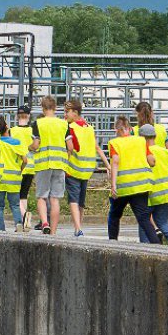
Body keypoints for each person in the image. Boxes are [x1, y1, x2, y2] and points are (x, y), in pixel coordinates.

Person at [107, 117, 160, 243]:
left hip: (123, 187)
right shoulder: (141, 141)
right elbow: (151, 161)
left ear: (117, 130)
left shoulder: (115, 143)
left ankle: (112, 242)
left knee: (114, 215)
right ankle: (157, 244)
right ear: (130, 129)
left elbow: (115, 162)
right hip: (141, 186)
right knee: (143, 218)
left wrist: (113, 185)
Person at [64, 99, 110, 238]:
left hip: (72, 169)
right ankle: (79, 227)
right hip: (86, 171)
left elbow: (70, 148)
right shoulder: (89, 127)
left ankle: (78, 229)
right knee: (81, 201)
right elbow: (96, 147)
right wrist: (107, 164)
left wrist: (64, 163)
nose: (65, 114)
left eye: (67, 111)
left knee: (73, 199)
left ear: (75, 112)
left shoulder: (70, 127)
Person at [29, 95, 69, 235]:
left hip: (43, 164)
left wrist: (30, 148)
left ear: (42, 108)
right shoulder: (64, 124)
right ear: (55, 108)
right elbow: (70, 146)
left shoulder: (38, 124)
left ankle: (44, 222)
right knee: (55, 198)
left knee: (41, 196)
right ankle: (53, 232)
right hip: (59, 164)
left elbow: (36, 144)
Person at [140, 125, 168, 245]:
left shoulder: (144, 153)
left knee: (144, 220)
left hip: (150, 192)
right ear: (155, 136)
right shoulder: (166, 152)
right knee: (163, 222)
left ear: (142, 138)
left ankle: (146, 249)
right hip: (166, 192)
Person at [0, 116, 26, 232]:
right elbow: (25, 160)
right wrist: (20, 169)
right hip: (14, 178)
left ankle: (1, 230)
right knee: (15, 205)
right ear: (6, 127)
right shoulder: (16, 143)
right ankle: (18, 225)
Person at [10, 104, 35, 229]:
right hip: (31, 167)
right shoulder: (32, 131)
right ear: (29, 116)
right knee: (24, 194)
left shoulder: (12, 131)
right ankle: (26, 221)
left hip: (18, 166)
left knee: (15, 195)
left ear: (17, 116)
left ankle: (24, 215)